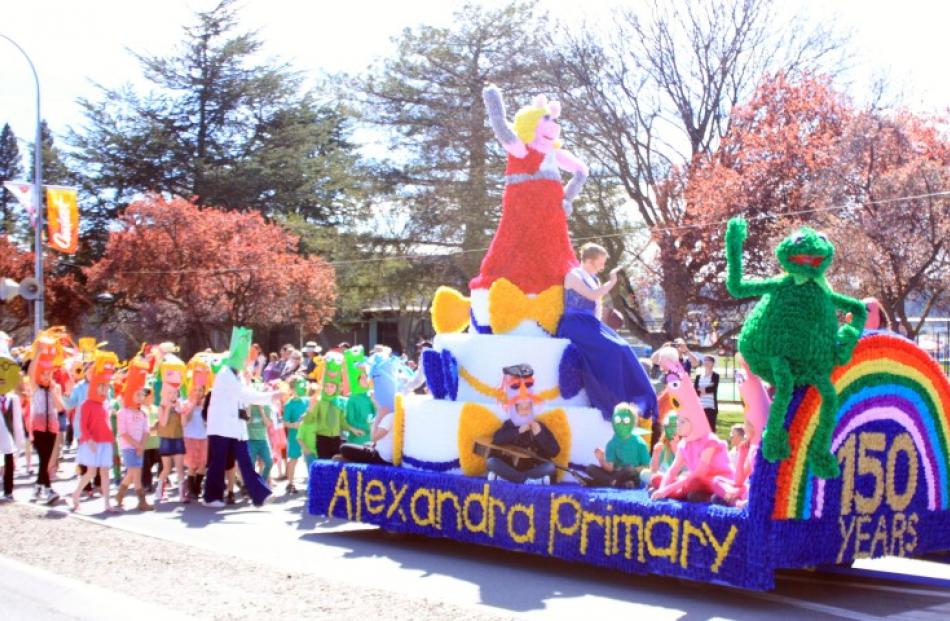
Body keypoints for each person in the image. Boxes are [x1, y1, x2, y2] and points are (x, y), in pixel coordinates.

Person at [555, 243, 658, 420]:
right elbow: (593, 295)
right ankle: (614, 400)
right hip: (574, 324)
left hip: (590, 323)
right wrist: (611, 282)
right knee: (614, 349)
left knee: (623, 347)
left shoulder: (594, 279)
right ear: (588, 260)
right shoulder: (573, 275)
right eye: (600, 263)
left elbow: (597, 307)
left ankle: (638, 399)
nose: (602, 267)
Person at [204, 327, 277, 508]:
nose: (247, 361)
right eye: (245, 358)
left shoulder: (238, 376)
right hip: (221, 428)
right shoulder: (224, 375)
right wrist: (269, 396)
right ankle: (212, 497)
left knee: (245, 462)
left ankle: (260, 495)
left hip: (237, 428)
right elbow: (244, 394)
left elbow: (244, 396)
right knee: (218, 463)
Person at [486, 364, 560, 484]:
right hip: (510, 466)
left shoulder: (539, 426)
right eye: (522, 408)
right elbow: (496, 439)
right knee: (491, 462)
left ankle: (510, 479)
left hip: (533, 468)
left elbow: (555, 451)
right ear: (515, 410)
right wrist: (518, 431)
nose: (525, 411)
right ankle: (528, 481)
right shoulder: (510, 424)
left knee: (550, 467)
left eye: (528, 408)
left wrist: (539, 435)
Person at [71, 352, 119, 513]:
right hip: (92, 442)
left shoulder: (104, 403)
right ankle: (76, 494)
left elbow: (107, 421)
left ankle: (107, 503)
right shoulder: (87, 404)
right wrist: (89, 439)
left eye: (106, 387)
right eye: (102, 386)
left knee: (105, 472)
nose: (105, 390)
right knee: (91, 472)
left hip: (104, 441)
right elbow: (83, 425)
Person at [115, 357, 153, 511]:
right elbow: (123, 433)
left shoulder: (144, 412)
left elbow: (146, 430)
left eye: (141, 395)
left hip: (139, 447)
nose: (141, 398)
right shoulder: (122, 412)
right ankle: (142, 500)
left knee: (131, 473)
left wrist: (142, 445)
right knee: (136, 474)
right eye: (137, 395)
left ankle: (120, 495)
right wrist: (137, 445)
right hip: (128, 447)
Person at [585, 403, 651, 488]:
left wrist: (633, 469)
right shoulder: (612, 443)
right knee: (590, 468)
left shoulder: (639, 443)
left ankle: (603, 482)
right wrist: (601, 459)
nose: (621, 424)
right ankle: (615, 483)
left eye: (626, 421)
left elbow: (647, 466)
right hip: (616, 474)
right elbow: (610, 468)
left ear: (633, 422)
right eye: (618, 420)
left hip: (632, 474)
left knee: (628, 468)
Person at [155, 356, 187, 504]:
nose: (173, 396)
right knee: (167, 468)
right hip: (166, 439)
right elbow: (162, 422)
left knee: (180, 467)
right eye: (170, 393)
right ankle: (159, 491)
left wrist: (181, 411)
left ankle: (182, 494)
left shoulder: (179, 406)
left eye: (175, 393)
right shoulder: (161, 407)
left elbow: (183, 424)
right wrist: (168, 407)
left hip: (178, 438)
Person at [282, 376, 308, 494]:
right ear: (292, 388)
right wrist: (294, 425)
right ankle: (290, 483)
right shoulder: (289, 404)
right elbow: (285, 422)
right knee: (293, 458)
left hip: (308, 434)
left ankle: (312, 482)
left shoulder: (306, 401)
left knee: (310, 457)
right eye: (299, 385)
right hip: (294, 435)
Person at [1, 381, 25, 501]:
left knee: (9, 463)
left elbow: (17, 422)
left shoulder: (13, 399)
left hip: (8, 436)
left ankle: (8, 491)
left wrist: (19, 442)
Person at [693, 355, 720, 431]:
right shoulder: (698, 376)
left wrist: (702, 390)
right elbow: (695, 390)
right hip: (700, 406)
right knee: (700, 429)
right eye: (705, 360)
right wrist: (705, 390)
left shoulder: (715, 376)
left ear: (712, 363)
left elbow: (712, 388)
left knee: (710, 429)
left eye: (708, 360)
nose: (706, 362)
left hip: (711, 407)